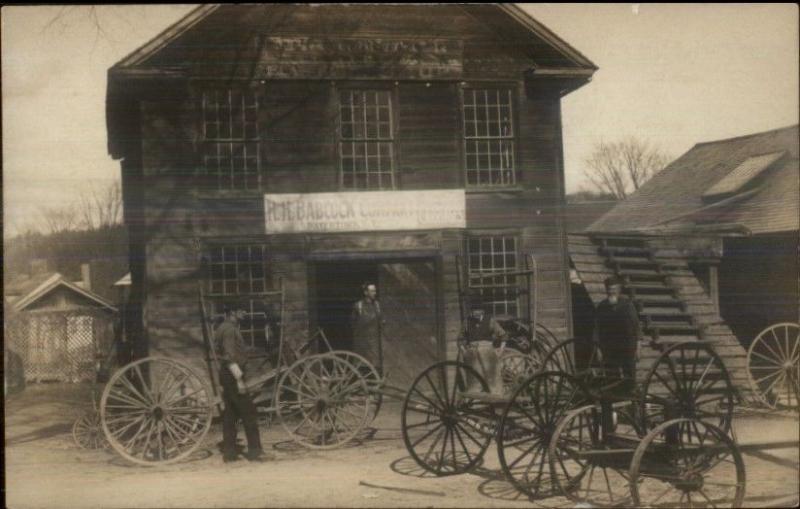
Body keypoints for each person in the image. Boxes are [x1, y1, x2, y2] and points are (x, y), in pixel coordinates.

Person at [215, 304, 268, 463]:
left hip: (227, 374)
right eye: (242, 310)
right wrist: (239, 380)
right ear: (232, 312)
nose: (245, 312)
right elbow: (229, 357)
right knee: (249, 412)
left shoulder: (222, 327)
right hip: (233, 374)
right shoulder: (230, 330)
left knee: (230, 414)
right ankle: (255, 451)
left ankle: (229, 454)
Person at [595, 275, 643, 391]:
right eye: (609, 290)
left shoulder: (627, 305)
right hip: (610, 348)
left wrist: (638, 346)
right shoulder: (602, 307)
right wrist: (598, 349)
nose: (611, 292)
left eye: (614, 290)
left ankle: (632, 402)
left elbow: (636, 326)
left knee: (629, 376)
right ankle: (617, 402)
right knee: (612, 377)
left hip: (627, 347)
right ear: (606, 290)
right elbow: (597, 328)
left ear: (619, 290)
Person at [459, 301, 508, 395]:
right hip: (472, 353)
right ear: (471, 312)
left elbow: (503, 335)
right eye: (474, 312)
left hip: (487, 352)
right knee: (474, 378)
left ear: (483, 312)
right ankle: (475, 400)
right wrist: (464, 351)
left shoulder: (490, 321)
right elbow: (461, 338)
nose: (476, 314)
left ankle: (495, 397)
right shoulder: (467, 322)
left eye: (479, 312)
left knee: (491, 377)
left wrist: (501, 349)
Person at [350, 282, 385, 375]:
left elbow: (381, 321)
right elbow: (352, 323)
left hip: (374, 341)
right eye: (372, 291)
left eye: (375, 291)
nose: (375, 293)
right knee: (361, 365)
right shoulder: (358, 306)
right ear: (366, 292)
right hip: (362, 342)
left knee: (375, 365)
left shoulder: (377, 306)